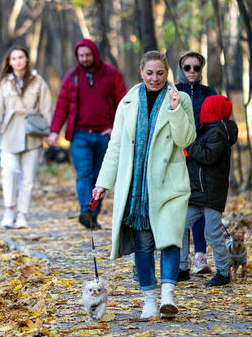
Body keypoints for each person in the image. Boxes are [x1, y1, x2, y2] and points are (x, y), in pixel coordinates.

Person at [92, 51, 196, 319]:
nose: (155, 78)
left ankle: (168, 297)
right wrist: (103, 182)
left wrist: (174, 110)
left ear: (167, 73)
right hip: (136, 186)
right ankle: (149, 300)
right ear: (141, 72)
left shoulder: (180, 98)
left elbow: (186, 139)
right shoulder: (127, 102)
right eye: (149, 73)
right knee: (144, 243)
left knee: (171, 239)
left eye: (160, 73)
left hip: (168, 182)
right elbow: (115, 146)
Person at [46, 39, 127, 229]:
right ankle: (86, 210)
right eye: (81, 56)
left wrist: (116, 127)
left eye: (88, 55)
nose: (84, 59)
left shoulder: (111, 74)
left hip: (105, 135)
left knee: (100, 177)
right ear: (77, 57)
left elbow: (123, 102)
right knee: (83, 173)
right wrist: (54, 131)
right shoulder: (72, 77)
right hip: (79, 135)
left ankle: (93, 215)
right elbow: (62, 106)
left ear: (95, 54)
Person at [0, 46, 53, 229]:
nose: (18, 61)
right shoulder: (3, 84)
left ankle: (22, 214)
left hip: (33, 134)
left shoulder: (39, 81)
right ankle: (9, 210)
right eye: (14, 58)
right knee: (10, 172)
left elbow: (47, 109)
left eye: (21, 57)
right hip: (9, 134)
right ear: (9, 62)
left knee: (28, 178)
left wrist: (48, 132)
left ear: (27, 59)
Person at [179, 95, 238, 287]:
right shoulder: (208, 130)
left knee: (212, 233)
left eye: (205, 109)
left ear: (211, 111)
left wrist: (189, 148)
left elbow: (209, 156)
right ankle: (181, 268)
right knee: (180, 226)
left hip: (211, 193)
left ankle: (223, 272)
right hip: (198, 192)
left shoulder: (218, 131)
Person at [174, 51, 218, 279]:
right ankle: (180, 262)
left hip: (203, 159)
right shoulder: (172, 91)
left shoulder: (209, 92)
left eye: (196, 67)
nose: (191, 72)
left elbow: (217, 124)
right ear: (180, 69)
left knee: (200, 205)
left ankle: (200, 255)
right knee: (181, 208)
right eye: (187, 67)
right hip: (179, 158)